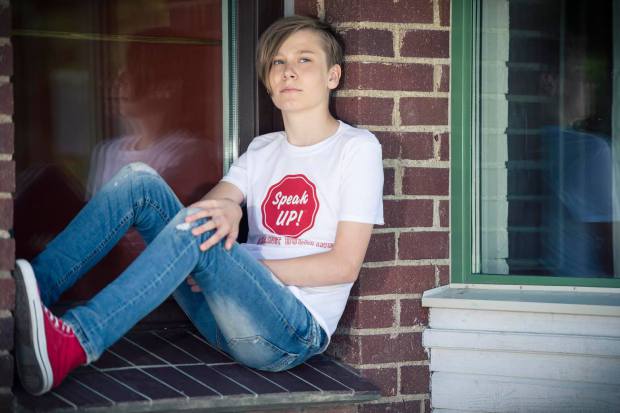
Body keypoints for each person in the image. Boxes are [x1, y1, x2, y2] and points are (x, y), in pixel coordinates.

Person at [14, 15, 384, 396]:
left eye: (304, 59)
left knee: (200, 233)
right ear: (268, 80)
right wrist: (230, 209)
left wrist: (244, 267)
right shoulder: (263, 149)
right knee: (140, 182)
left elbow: (343, 265)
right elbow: (207, 210)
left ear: (332, 76)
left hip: (289, 333)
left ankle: (76, 342)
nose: (288, 70)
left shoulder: (356, 149)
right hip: (223, 316)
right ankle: (26, 299)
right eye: (278, 61)